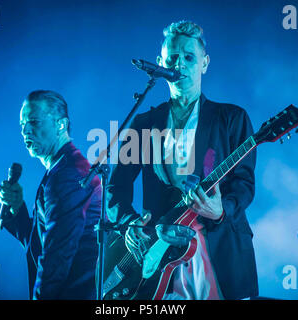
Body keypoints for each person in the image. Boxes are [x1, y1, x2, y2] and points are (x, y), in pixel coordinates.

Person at [106, 21, 258, 300]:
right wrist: (129, 222)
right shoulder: (143, 122)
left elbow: (245, 183)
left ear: (205, 63)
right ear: (161, 63)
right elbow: (115, 187)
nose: (180, 64)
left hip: (218, 246)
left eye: (189, 57)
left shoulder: (232, 119)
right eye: (173, 58)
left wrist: (221, 209)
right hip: (159, 252)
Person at [0, 90, 101, 299]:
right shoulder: (61, 168)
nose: (25, 130)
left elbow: (57, 254)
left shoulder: (68, 174)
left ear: (61, 124)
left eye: (33, 122)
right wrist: (18, 207)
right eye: (22, 124)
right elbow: (43, 242)